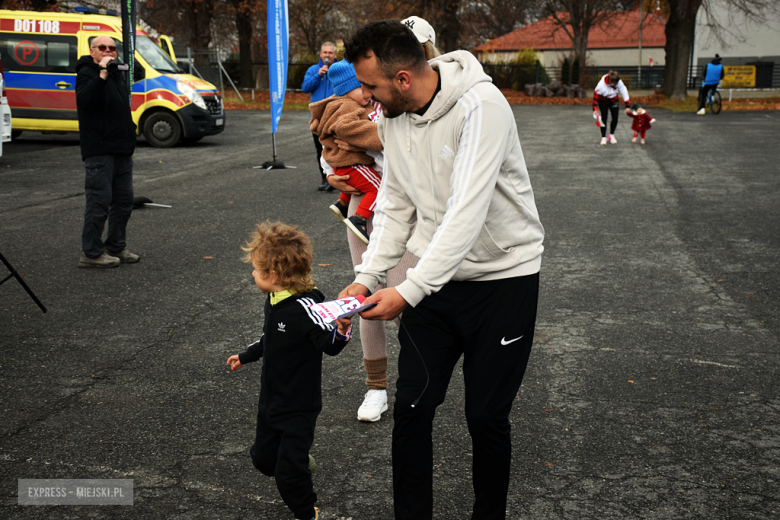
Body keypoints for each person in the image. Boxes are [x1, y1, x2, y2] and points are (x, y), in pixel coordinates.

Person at [341, 20, 545, 519]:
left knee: (486, 417)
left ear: (404, 79)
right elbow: (394, 206)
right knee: (411, 410)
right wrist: (368, 277)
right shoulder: (391, 117)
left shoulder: (483, 107)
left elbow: (466, 213)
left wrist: (407, 291)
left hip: (504, 283)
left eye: (371, 86)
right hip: (436, 287)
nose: (365, 97)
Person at [326, 15, 438, 422]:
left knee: (407, 298)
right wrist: (333, 171)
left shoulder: (435, 104)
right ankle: (376, 387)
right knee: (363, 294)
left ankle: (415, 381)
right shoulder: (371, 100)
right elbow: (333, 140)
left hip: (411, 220)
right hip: (366, 212)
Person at [226, 221, 352, 520]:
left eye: (256, 269)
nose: (253, 274)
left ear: (273, 275)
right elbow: (272, 337)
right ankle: (297, 461)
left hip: (298, 406)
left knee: (287, 475)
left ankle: (308, 512)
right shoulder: (274, 300)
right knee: (263, 461)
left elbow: (328, 345)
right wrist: (246, 355)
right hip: (270, 401)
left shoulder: (307, 309)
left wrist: (342, 330)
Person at [75, 35, 139, 268]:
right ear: (93, 52)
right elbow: (85, 101)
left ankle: (116, 247)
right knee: (99, 202)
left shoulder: (117, 74)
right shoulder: (87, 73)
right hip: (100, 151)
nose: (108, 51)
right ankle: (91, 253)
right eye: (102, 47)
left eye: (112, 48)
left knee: (124, 202)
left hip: (121, 150)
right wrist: (101, 74)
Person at [309, 60, 384, 245]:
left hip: (346, 166)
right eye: (361, 87)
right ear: (347, 89)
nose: (368, 92)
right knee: (377, 187)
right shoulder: (349, 107)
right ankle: (359, 219)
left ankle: (342, 204)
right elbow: (346, 128)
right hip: (352, 164)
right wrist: (381, 136)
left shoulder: (343, 104)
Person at [301, 42, 338, 191]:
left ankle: (338, 178)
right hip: (317, 118)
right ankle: (325, 178)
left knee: (337, 148)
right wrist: (318, 75)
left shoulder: (340, 69)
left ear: (335, 55)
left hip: (335, 116)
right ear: (320, 54)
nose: (327, 55)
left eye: (330, 53)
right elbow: (305, 88)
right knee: (320, 150)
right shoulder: (313, 70)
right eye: (325, 52)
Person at [593, 70, 631, 145]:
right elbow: (595, 95)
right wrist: (594, 109)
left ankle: (611, 134)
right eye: (614, 84)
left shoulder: (618, 82)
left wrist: (627, 105)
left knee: (615, 118)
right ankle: (603, 137)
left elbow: (624, 91)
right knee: (604, 118)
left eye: (617, 84)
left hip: (613, 100)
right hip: (603, 100)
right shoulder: (601, 85)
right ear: (610, 81)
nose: (616, 85)